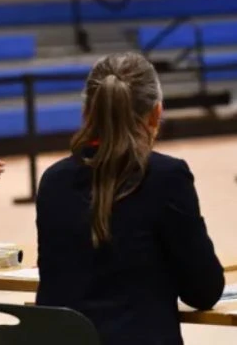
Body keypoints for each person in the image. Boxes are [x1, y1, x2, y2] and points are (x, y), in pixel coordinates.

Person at [35, 52, 225, 345]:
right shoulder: (166, 176)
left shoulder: (53, 181)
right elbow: (204, 291)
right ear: (156, 114)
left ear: (87, 113)